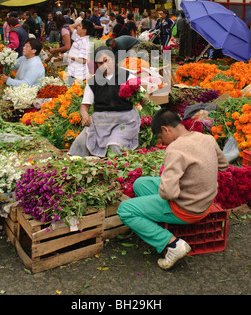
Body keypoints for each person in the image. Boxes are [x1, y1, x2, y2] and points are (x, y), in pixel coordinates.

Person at [117, 109, 229, 270]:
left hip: (186, 208)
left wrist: (169, 185)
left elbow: (168, 193)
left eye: (161, 137)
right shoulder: (207, 139)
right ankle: (157, 220)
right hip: (204, 202)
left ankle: (173, 244)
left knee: (125, 210)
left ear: (165, 129)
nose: (162, 142)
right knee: (140, 183)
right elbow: (224, 165)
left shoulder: (175, 149)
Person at [68, 47, 141, 157]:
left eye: (107, 61)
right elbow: (84, 105)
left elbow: (143, 96)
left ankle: (115, 170)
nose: (104, 66)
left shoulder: (128, 76)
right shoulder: (93, 81)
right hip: (100, 122)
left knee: (115, 146)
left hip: (125, 121)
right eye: (100, 63)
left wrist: (144, 100)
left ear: (113, 59)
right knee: (79, 144)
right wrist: (85, 115)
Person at [64, 19, 94, 85]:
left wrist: (68, 56)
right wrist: (81, 22)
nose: (77, 27)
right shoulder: (79, 36)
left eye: (79, 26)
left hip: (78, 75)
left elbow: (83, 61)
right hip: (73, 71)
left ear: (84, 31)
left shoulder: (84, 43)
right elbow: (71, 26)